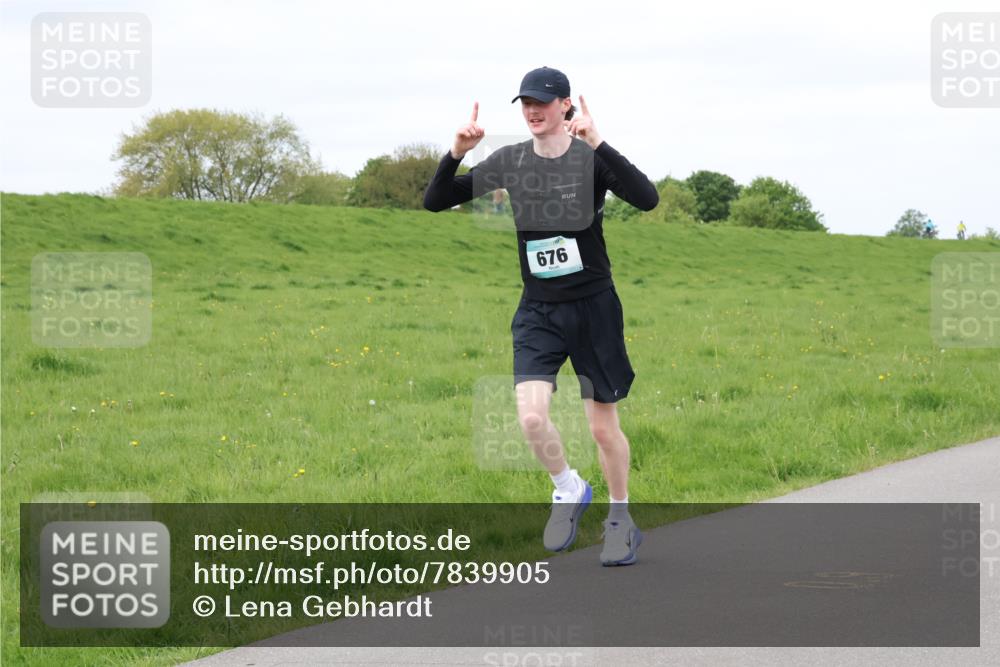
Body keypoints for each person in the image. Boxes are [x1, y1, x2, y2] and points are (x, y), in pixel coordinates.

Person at [423, 66, 658, 566]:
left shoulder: (589, 160)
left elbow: (646, 198)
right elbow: (436, 201)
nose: (532, 110)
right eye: (525, 102)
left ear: (565, 106)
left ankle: (620, 519)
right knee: (531, 417)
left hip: (594, 309)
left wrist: (598, 141)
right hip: (538, 311)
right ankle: (567, 487)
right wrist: (456, 153)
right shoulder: (510, 161)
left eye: (542, 102)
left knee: (601, 430)